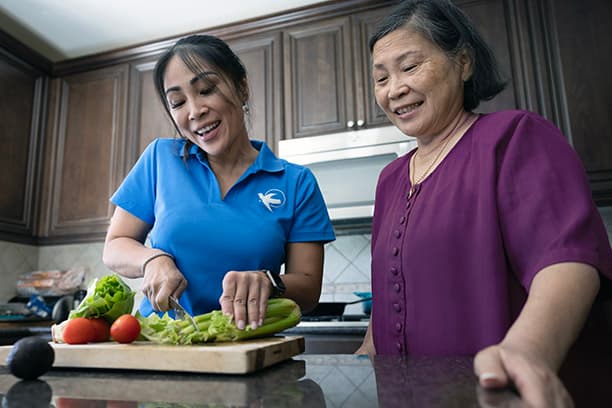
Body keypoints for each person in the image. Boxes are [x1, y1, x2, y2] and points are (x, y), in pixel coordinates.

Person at [355, 0, 612, 406]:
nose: (394, 89)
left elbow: (567, 261)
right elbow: (387, 293)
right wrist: (364, 356)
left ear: (463, 63)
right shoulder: (390, 179)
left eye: (409, 67)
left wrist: (524, 352)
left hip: (499, 395)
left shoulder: (514, 138)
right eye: (381, 77)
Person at [102, 34, 335, 331]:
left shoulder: (296, 182)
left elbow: (308, 287)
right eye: (177, 102)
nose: (194, 111)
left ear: (242, 87)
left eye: (206, 90)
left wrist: (267, 281)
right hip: (161, 345)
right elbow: (115, 246)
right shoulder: (160, 159)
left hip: (248, 347)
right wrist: (152, 260)